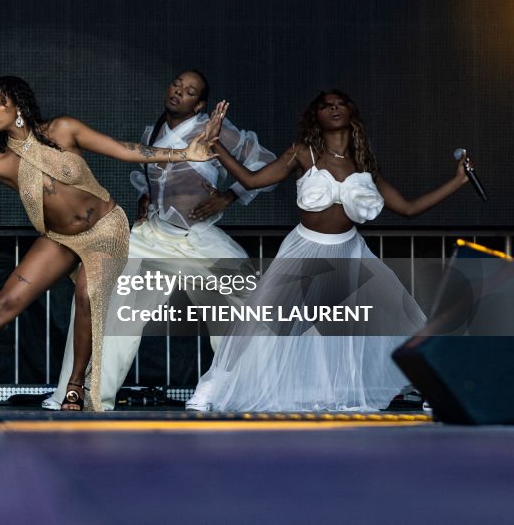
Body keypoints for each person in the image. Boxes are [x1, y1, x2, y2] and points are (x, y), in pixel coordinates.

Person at [0, 76, 224, 411]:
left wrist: (184, 155)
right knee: (4, 303)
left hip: (105, 228)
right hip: (60, 239)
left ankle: (75, 386)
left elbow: (124, 151)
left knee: (87, 294)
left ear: (19, 105)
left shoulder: (62, 130)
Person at [186, 90, 470, 412]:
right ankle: (212, 388)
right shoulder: (302, 153)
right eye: (326, 105)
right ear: (315, 116)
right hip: (304, 250)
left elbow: (408, 208)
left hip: (350, 253)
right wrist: (214, 143)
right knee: (265, 324)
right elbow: (252, 181)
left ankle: (435, 389)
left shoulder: (364, 165)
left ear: (351, 112)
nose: (333, 108)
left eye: (340, 104)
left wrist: (457, 181)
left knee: (401, 320)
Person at [45, 71, 276, 410]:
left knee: (254, 302)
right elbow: (151, 177)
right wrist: (147, 197)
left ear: (200, 103)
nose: (179, 93)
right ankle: (85, 393)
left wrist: (230, 195)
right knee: (106, 300)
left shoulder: (215, 128)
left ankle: (250, 394)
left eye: (189, 91)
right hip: (151, 237)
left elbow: (264, 165)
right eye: (176, 86)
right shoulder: (153, 131)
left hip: (196, 239)